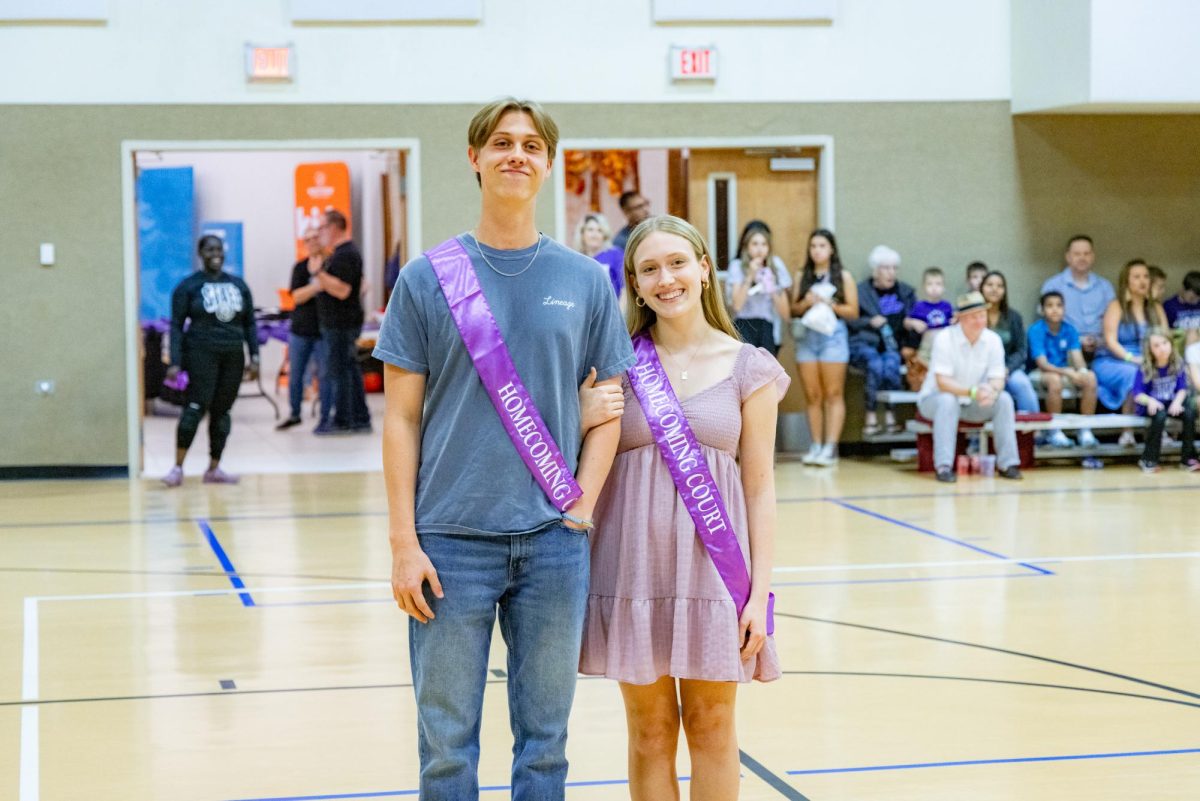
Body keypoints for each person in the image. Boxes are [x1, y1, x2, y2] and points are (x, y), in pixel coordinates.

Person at [374, 98, 634, 800]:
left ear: (549, 163)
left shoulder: (585, 280)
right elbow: (399, 419)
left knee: (545, 747)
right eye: (500, 142)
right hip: (450, 542)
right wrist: (404, 540)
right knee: (446, 750)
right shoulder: (427, 279)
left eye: (530, 145)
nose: (515, 154)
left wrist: (580, 504)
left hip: (553, 541)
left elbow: (609, 406)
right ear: (475, 158)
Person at [580, 215, 784, 800]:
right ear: (635, 285)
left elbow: (761, 486)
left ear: (704, 269)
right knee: (648, 731)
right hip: (632, 571)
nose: (665, 278)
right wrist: (580, 411)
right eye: (649, 269)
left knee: (712, 726)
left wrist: (759, 591)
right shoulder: (615, 364)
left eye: (676, 263)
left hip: (718, 577)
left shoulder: (752, 368)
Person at [161, 234, 259, 487]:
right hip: (201, 353)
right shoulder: (188, 287)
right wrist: (175, 361)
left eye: (219, 249)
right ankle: (177, 467)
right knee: (195, 407)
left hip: (232, 354)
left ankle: (214, 468)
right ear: (200, 254)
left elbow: (249, 323)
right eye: (209, 249)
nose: (215, 254)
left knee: (222, 411)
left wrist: (255, 356)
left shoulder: (238, 285)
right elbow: (176, 326)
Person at [917, 291, 1023, 484]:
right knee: (948, 401)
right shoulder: (944, 338)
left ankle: (1008, 464)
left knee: (1004, 400)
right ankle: (944, 466)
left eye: (982, 315)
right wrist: (973, 392)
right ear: (961, 319)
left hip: (972, 402)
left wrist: (992, 391)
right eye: (973, 316)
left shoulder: (993, 340)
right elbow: (942, 382)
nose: (979, 320)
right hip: (935, 400)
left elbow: (998, 377)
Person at [790, 229, 858, 466]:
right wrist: (806, 302)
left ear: (831, 249)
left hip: (833, 336)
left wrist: (831, 304)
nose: (817, 250)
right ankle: (816, 445)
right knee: (813, 394)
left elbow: (853, 311)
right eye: (813, 246)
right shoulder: (803, 276)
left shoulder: (843, 276)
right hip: (808, 337)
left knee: (833, 393)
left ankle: (831, 446)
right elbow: (793, 310)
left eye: (822, 245)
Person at [1093, 259, 1166, 445]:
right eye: (1137, 277)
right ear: (1126, 281)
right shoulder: (1116, 306)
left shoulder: (1155, 307)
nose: (1143, 281)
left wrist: (1157, 358)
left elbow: (1166, 338)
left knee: (1165, 373)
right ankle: (1128, 431)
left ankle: (1159, 430)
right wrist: (1132, 358)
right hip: (1113, 360)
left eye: (1146, 277)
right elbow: (1110, 341)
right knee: (1134, 373)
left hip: (1148, 358)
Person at [313, 209, 372, 435]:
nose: (320, 233)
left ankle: (346, 419)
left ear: (335, 227)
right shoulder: (338, 254)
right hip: (336, 324)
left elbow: (343, 290)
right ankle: (356, 417)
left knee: (342, 372)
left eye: (322, 228)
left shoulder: (346, 254)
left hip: (342, 324)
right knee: (346, 370)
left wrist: (318, 273)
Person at [849, 245, 915, 435]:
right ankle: (870, 415)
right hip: (865, 344)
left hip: (893, 346)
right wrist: (869, 322)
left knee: (891, 364)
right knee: (875, 364)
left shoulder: (905, 292)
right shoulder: (861, 292)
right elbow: (850, 320)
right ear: (875, 270)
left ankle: (890, 415)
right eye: (886, 268)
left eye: (894, 268)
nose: (891, 273)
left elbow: (913, 316)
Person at [1028, 291, 1099, 447]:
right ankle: (1054, 431)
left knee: (1091, 378)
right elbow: (1042, 363)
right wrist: (1068, 372)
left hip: (1062, 371)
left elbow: (1077, 358)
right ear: (1042, 309)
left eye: (1059, 305)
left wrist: (1082, 372)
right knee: (1055, 380)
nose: (1055, 309)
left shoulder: (1070, 330)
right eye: (1050, 305)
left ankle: (1085, 429)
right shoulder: (1036, 330)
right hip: (1040, 373)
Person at [277, 227, 330, 430]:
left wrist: (319, 283)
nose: (312, 242)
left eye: (315, 237)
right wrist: (317, 286)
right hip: (300, 329)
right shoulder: (300, 268)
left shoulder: (331, 264)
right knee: (296, 374)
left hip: (324, 330)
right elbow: (296, 296)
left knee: (325, 374)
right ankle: (294, 413)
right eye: (308, 239)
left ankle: (326, 415)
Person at [1133, 328, 1198, 473]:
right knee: (1160, 416)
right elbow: (1137, 393)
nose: (1162, 348)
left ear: (1171, 344)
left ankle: (1188, 458)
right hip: (1153, 404)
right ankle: (1148, 459)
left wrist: (1177, 402)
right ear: (1149, 349)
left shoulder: (1178, 362)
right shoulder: (1145, 367)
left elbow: (1182, 388)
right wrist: (1150, 401)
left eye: (1164, 343)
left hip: (1172, 402)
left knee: (1189, 413)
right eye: (1156, 345)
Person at [1040, 235, 1115, 359]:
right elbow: (1045, 324)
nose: (1082, 258)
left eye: (1086, 254)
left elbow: (1114, 322)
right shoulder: (1052, 286)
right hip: (1064, 351)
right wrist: (1077, 340)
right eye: (1077, 254)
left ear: (1093, 256)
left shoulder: (1105, 287)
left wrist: (1098, 341)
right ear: (1068, 257)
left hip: (1102, 351)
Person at [724, 220, 792, 354]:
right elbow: (736, 306)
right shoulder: (737, 266)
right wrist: (749, 276)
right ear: (746, 246)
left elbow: (786, 314)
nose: (759, 249)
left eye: (764, 244)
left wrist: (771, 287)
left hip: (767, 326)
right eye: (754, 244)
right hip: (743, 325)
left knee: (766, 371)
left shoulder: (775, 266)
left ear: (769, 248)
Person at [981, 270, 1039, 413]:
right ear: (982, 288)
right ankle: (975, 434)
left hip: (1008, 369)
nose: (994, 289)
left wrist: (1007, 369)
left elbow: (1021, 350)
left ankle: (1032, 431)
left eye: (1000, 286)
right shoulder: (973, 317)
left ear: (1005, 291)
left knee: (1022, 384)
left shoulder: (1014, 317)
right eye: (990, 285)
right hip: (980, 371)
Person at [904, 267, 954, 391]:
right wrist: (914, 322)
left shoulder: (947, 306)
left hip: (945, 349)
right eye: (930, 284)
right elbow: (906, 322)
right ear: (924, 287)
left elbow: (954, 322)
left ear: (944, 287)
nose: (934, 288)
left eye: (938, 284)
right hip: (925, 348)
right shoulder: (919, 306)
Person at [574, 212, 625, 298]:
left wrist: (620, 311)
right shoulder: (577, 259)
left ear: (604, 235)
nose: (595, 235)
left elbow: (625, 290)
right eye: (590, 230)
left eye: (599, 230)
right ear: (582, 234)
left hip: (612, 309)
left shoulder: (615, 254)